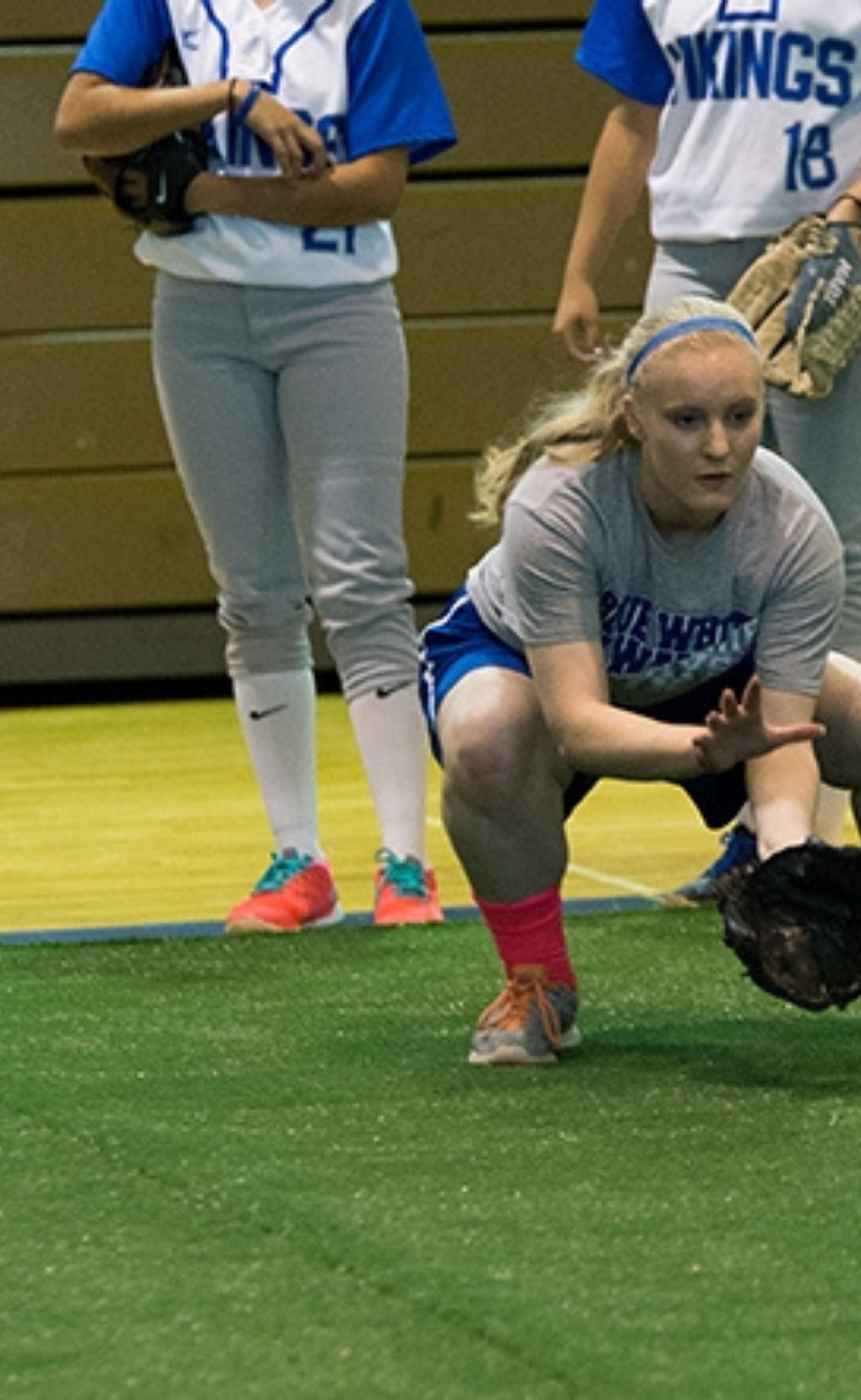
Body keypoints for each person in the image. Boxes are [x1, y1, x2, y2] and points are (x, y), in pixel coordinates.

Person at [419, 297, 861, 1068]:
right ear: (634, 416)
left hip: (718, 680)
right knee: (491, 743)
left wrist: (785, 859)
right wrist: (705, 749)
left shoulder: (793, 529)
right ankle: (538, 986)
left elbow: (783, 729)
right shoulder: (559, 504)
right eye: (687, 421)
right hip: (525, 659)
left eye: (740, 415)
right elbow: (577, 723)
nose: (720, 447)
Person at [552, 0, 861, 898]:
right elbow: (633, 114)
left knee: (836, 539)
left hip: (841, 248)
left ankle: (807, 840)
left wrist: (852, 207)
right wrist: (582, 269)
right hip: (695, 259)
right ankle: (757, 821)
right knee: (694, 530)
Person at [54, 0, 457, 931]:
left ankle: (406, 861)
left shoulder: (368, 9)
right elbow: (78, 117)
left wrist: (205, 195)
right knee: (253, 594)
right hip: (198, 315)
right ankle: (298, 861)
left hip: (338, 310)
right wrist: (236, 95)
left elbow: (375, 188)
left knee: (362, 581)